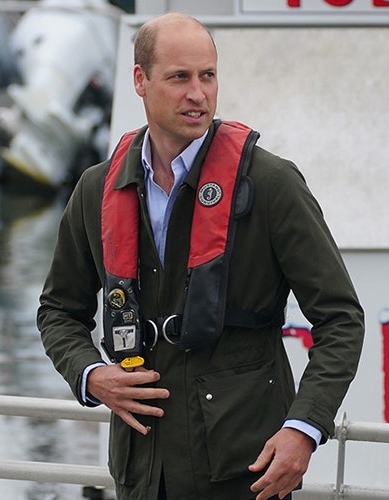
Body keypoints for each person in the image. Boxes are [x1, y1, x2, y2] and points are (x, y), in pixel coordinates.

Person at [38, 12, 365, 500]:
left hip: (246, 472)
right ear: (140, 81)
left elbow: (341, 319)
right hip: (141, 473)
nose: (198, 93)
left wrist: (305, 427)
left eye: (207, 75)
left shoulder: (272, 184)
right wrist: (91, 375)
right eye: (179, 78)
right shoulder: (94, 191)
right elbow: (58, 311)